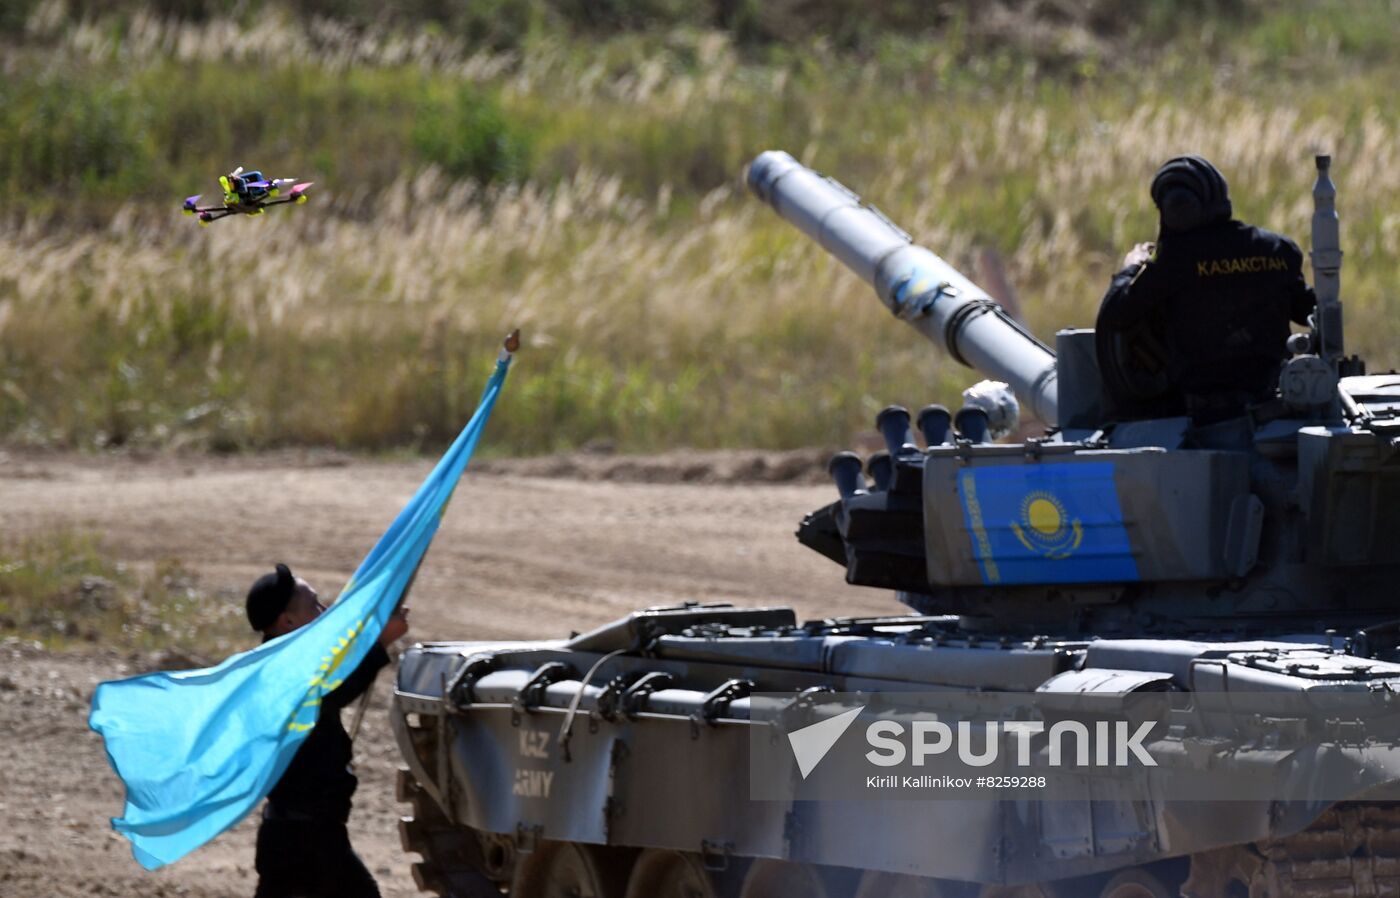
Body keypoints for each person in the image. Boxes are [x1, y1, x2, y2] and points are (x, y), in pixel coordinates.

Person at [1095, 155, 1316, 421]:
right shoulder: (1277, 249)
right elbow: (1309, 311)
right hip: (1273, 400)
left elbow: (1117, 314)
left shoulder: (1176, 260)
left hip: (1202, 413)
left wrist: (1131, 268)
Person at [244, 563, 410, 898]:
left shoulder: (289, 663)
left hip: (303, 837)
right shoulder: (279, 672)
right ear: (287, 621)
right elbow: (329, 697)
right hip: (303, 840)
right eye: (314, 605)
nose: (325, 611)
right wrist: (379, 644)